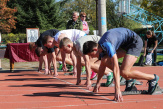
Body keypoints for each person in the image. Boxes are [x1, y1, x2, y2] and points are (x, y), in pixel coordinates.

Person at [83, 27, 159, 102]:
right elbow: (102, 66)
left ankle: (152, 78)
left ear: (95, 49)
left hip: (134, 42)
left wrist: (117, 90)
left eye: (91, 55)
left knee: (124, 72)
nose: (91, 57)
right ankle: (129, 79)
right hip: (124, 44)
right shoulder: (101, 46)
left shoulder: (107, 45)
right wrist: (98, 83)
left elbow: (115, 67)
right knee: (104, 60)